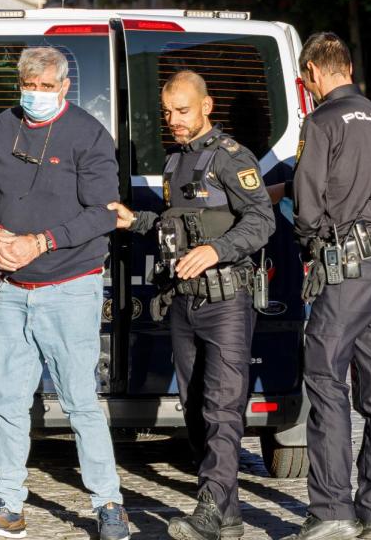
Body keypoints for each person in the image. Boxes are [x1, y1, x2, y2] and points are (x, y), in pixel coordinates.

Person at [0, 46, 131, 540]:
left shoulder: (89, 135)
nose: (35, 96)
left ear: (63, 88)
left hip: (69, 287)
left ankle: (109, 505)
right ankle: (7, 505)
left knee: (80, 401)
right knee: (8, 401)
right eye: (28, 87)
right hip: (14, 290)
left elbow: (104, 212)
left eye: (45, 88)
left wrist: (41, 241)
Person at [109, 70, 275, 540]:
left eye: (182, 111)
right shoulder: (175, 163)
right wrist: (134, 221)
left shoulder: (231, 158)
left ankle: (207, 511)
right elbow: (173, 224)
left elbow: (262, 220)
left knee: (223, 408)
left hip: (226, 302)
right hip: (183, 303)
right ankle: (230, 513)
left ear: (206, 105)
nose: (173, 120)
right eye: (167, 113)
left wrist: (217, 251)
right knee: (197, 409)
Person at [282, 32, 371, 540]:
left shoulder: (322, 120)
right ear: (350, 67)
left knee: (327, 385)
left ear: (313, 72)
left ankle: (332, 510)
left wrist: (308, 245)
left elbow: (309, 206)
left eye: (305, 79)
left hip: (344, 271)